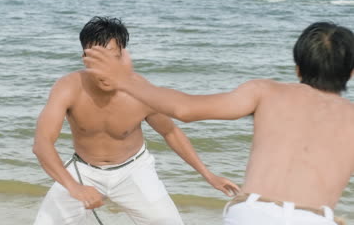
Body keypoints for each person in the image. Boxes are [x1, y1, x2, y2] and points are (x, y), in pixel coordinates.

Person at [83, 21, 354, 225]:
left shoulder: (265, 91)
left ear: (298, 67)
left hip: (251, 213)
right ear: (351, 72)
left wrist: (125, 81)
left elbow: (184, 109)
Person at [32, 16, 239, 225]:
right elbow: (42, 144)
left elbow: (170, 132)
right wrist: (74, 186)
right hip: (83, 170)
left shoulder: (140, 91)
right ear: (84, 57)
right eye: (96, 61)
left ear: (122, 57)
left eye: (112, 59)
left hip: (133, 170)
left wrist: (208, 175)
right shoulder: (68, 87)